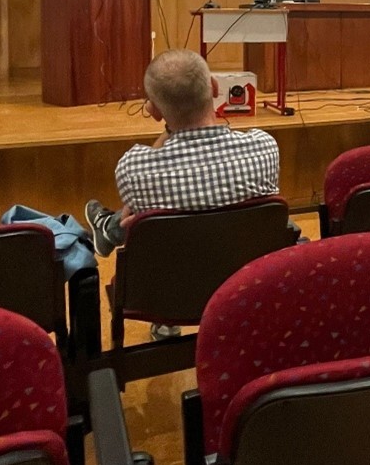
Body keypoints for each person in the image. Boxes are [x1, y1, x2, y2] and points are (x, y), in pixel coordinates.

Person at [85, 49, 281, 337]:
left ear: (153, 111)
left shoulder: (133, 168)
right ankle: (109, 230)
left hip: (167, 296)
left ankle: (109, 231)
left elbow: (152, 170)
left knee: (139, 215)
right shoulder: (264, 148)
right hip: (246, 287)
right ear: (214, 87)